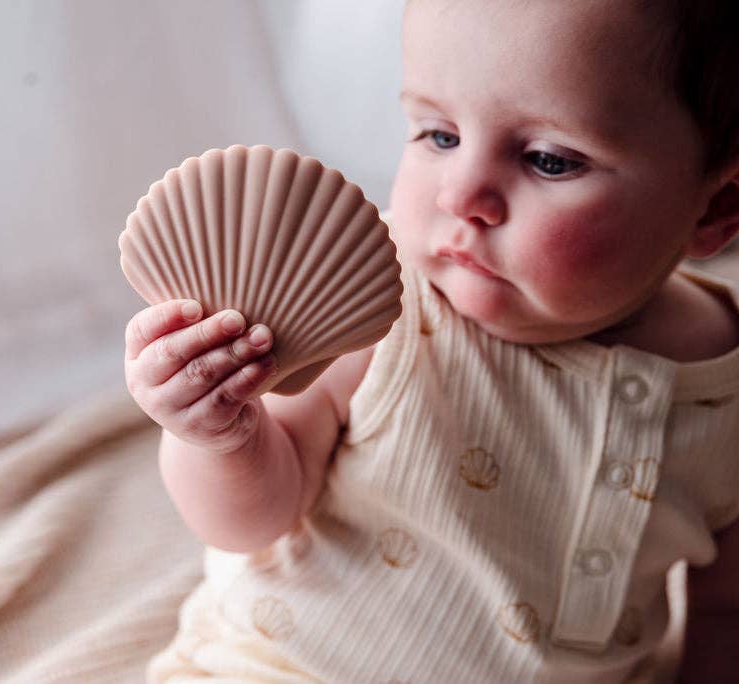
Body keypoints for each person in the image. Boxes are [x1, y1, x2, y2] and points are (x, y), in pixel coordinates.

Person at [125, 0, 739, 681]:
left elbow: (724, 613)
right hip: (292, 665)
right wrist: (221, 438)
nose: (461, 193)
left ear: (715, 207)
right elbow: (250, 523)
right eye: (439, 135)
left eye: (548, 159)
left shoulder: (727, 390)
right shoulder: (373, 306)